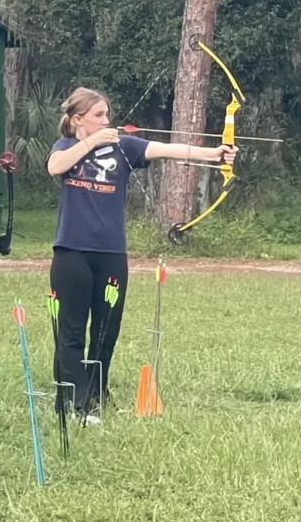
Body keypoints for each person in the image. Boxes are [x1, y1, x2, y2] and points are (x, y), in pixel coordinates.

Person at [47, 87, 236, 422]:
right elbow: (55, 167)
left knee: (106, 329)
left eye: (107, 115)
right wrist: (93, 141)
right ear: (78, 120)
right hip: (72, 253)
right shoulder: (65, 147)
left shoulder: (124, 146)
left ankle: (96, 394)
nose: (106, 121)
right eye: (98, 115)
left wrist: (214, 154)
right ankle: (73, 402)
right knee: (72, 331)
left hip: (111, 253)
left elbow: (168, 149)